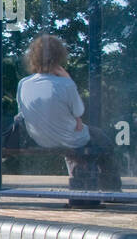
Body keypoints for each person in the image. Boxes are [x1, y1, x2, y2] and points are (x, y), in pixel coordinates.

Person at [16, 33, 122, 190]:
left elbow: (23, 112)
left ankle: (80, 181)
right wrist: (68, 79)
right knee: (101, 139)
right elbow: (79, 110)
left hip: (38, 138)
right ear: (59, 57)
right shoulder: (65, 84)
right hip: (66, 137)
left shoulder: (23, 83)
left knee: (72, 136)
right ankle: (111, 189)